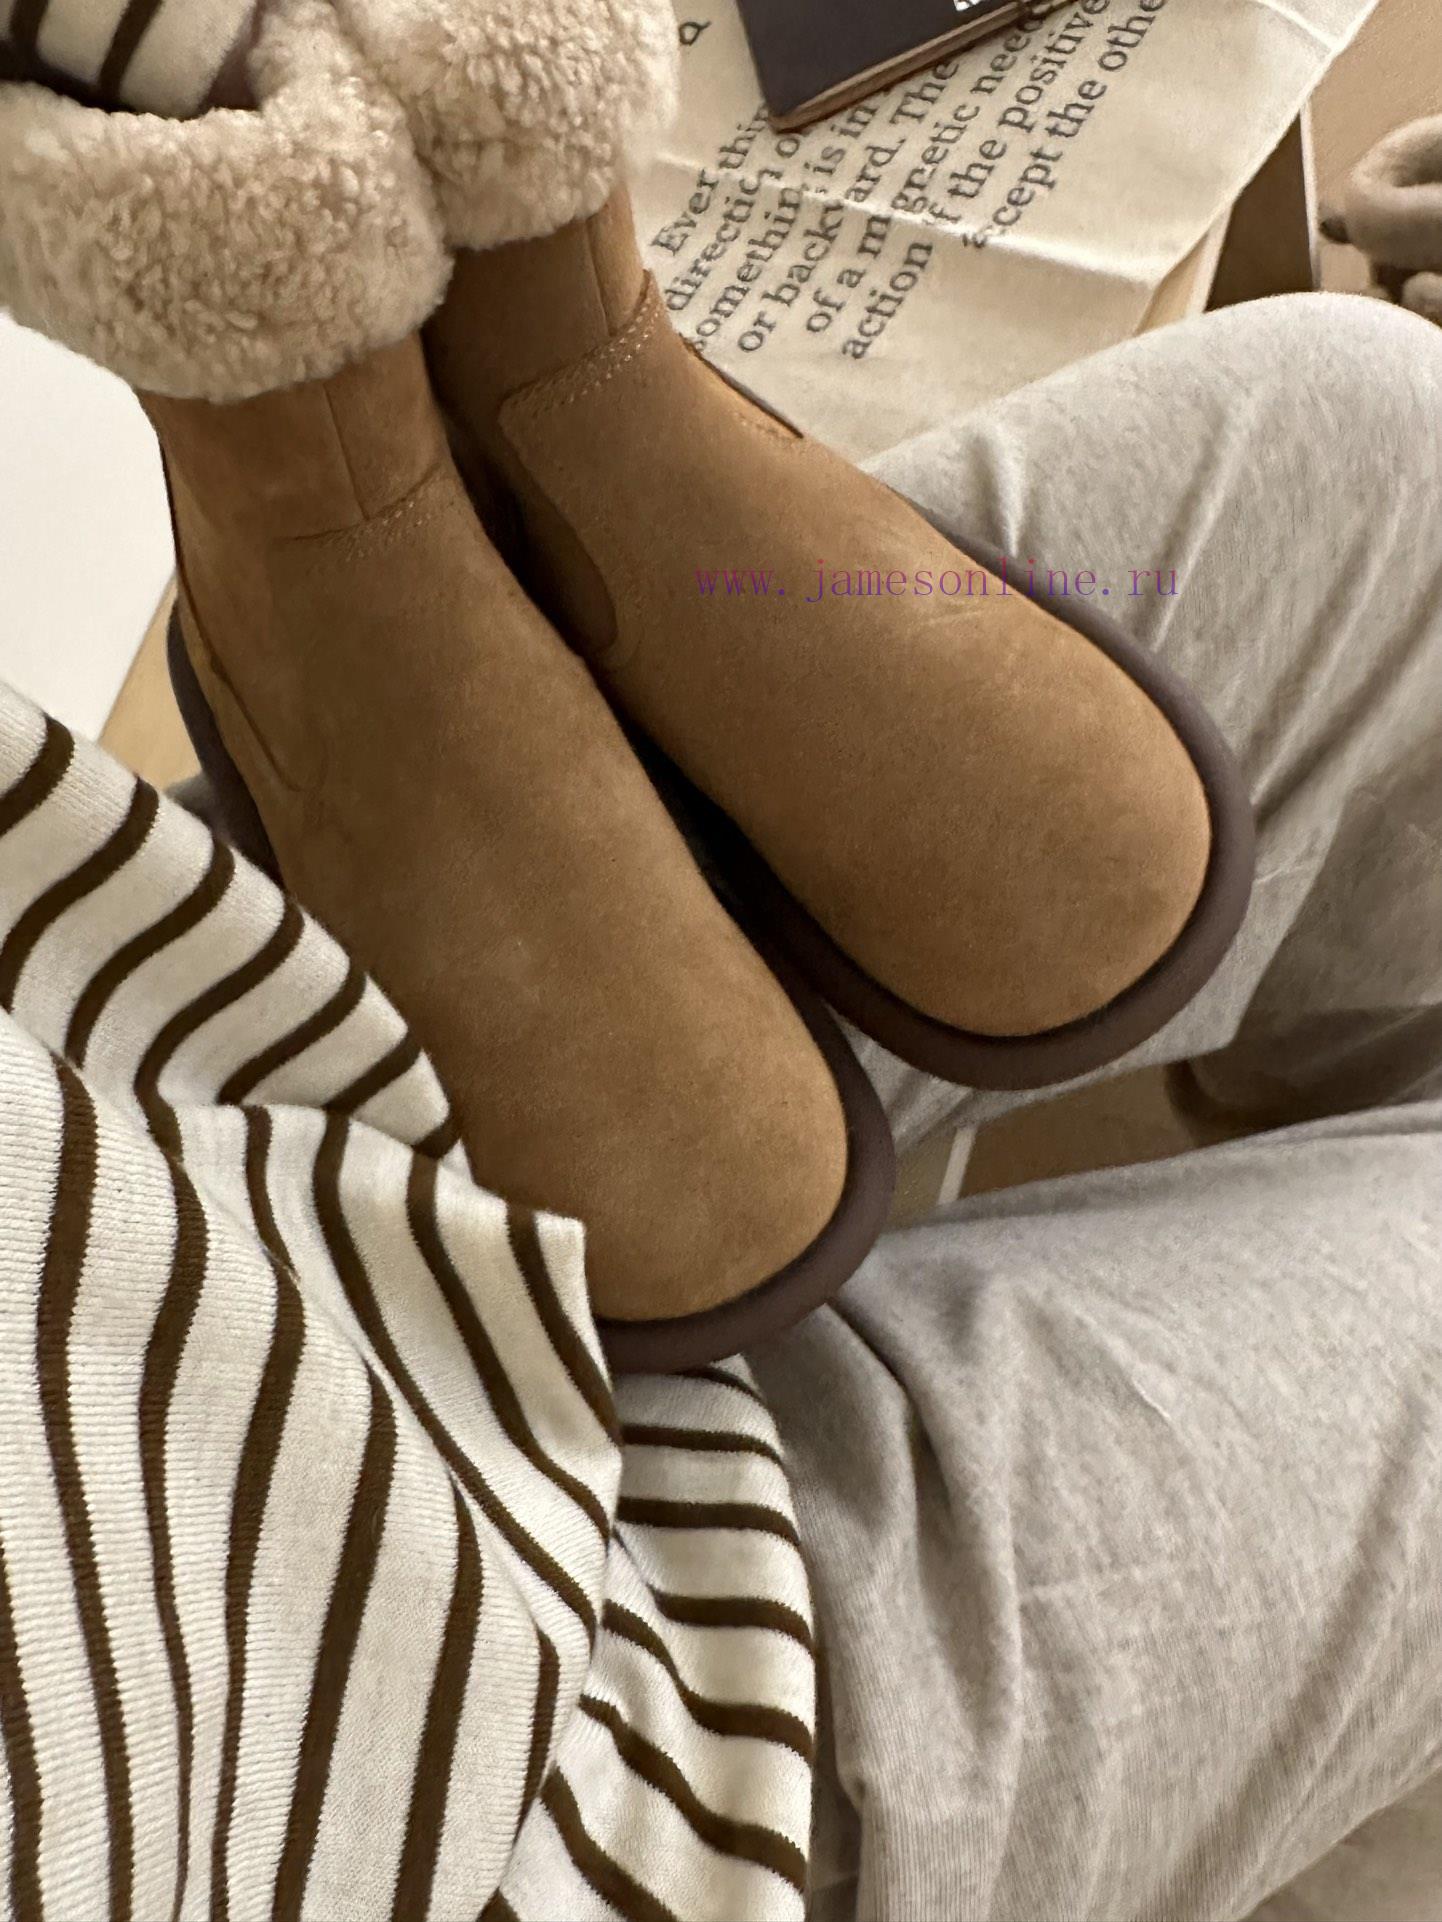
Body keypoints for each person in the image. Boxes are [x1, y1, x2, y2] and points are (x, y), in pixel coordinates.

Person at [1, 2, 1439, 1918]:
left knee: (1384, 431)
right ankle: (336, 488)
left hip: (109, 1027)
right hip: (389, 1730)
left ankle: (512, 411)